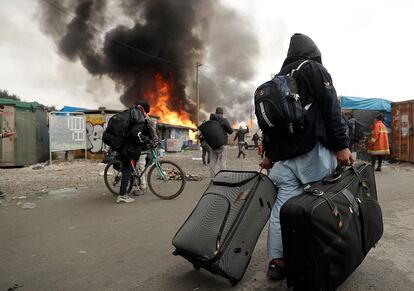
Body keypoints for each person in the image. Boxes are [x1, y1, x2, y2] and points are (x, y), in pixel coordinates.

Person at [259, 33, 353, 280]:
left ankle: (278, 261)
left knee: (283, 208)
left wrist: (268, 156)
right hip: (314, 154)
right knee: (322, 204)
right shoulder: (314, 69)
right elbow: (331, 108)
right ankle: (320, 256)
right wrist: (342, 145)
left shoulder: (276, 81)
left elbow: (268, 125)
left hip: (284, 161)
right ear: (313, 52)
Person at [117, 100, 159, 203]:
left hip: (133, 147)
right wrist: (148, 140)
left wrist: (151, 140)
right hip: (128, 148)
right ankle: (123, 194)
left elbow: (145, 132)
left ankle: (136, 186)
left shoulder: (140, 117)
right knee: (132, 168)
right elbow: (136, 134)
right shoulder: (137, 117)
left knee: (137, 167)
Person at [209, 107, 233, 176]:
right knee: (222, 162)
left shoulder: (211, 120)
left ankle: (212, 177)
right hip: (222, 144)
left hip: (212, 144)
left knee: (212, 161)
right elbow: (230, 131)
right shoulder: (224, 120)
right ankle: (222, 177)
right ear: (222, 113)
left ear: (216, 112)